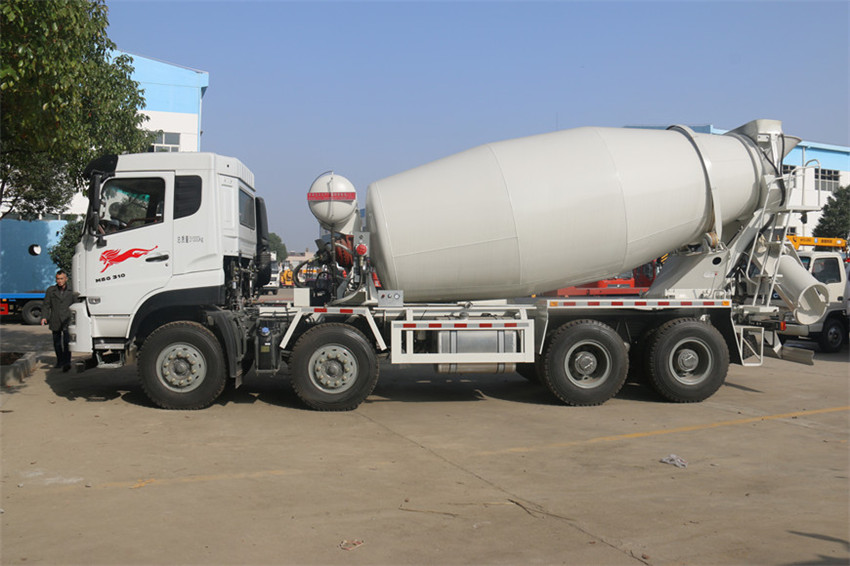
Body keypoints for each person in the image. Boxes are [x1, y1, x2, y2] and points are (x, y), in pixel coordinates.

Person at [41, 270, 78, 372]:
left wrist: (76, 318)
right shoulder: (51, 290)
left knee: (67, 342)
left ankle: (67, 362)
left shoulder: (72, 291)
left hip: (67, 319)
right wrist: (44, 317)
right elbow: (46, 305)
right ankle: (60, 360)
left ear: (66, 279)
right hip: (55, 319)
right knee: (57, 343)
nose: (59, 281)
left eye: (61, 279)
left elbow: (76, 305)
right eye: (58, 279)